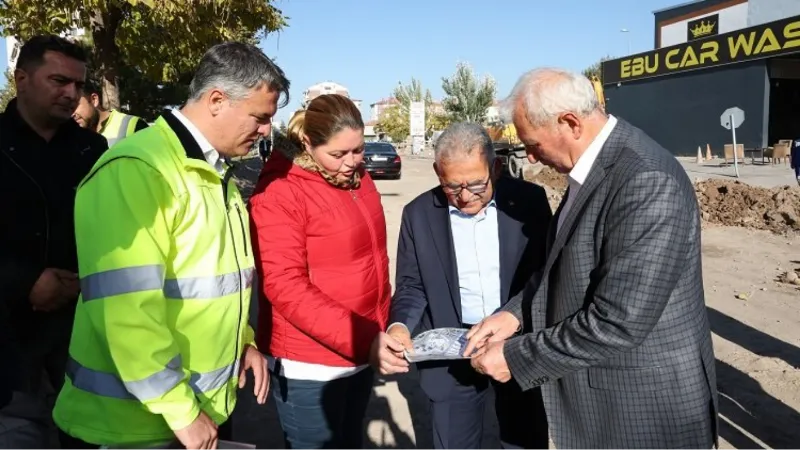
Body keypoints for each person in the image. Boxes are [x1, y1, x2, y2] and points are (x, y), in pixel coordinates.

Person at [464, 67, 719, 449]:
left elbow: (618, 322)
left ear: (570, 123)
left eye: (534, 144)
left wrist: (516, 357)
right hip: (607, 399)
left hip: (645, 409)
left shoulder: (645, 180)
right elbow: (563, 268)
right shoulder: (593, 167)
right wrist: (514, 314)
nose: (530, 158)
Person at [52, 41, 290, 450]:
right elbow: (128, 312)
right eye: (261, 117)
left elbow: (218, 281)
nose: (267, 129)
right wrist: (180, 410)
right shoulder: (139, 170)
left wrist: (243, 340)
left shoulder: (214, 172)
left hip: (195, 415)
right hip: (132, 427)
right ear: (217, 100)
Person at [371, 122, 552, 450]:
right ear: (438, 171)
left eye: (477, 184)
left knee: (524, 438)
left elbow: (545, 273)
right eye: (453, 186)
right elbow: (412, 284)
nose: (466, 196)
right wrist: (399, 326)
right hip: (450, 356)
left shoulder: (529, 203)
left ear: (495, 168)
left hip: (515, 343)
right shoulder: (418, 214)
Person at [249, 94, 390, 450]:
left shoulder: (359, 179)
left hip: (359, 352)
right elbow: (284, 286)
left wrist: (382, 327)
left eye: (357, 150)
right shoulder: (281, 191)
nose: (351, 163)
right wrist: (362, 336)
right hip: (309, 366)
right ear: (308, 144)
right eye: (338, 154)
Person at [0, 35, 108, 450]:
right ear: (22, 78)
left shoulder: (92, 150)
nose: (72, 94)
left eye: (79, 85)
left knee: (82, 434)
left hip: (80, 327)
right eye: (59, 81)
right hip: (10, 334)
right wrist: (25, 281)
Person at [72, 81, 148, 145]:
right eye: (69, 106)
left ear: (94, 100)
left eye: (75, 104)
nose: (72, 114)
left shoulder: (131, 125)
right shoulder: (74, 136)